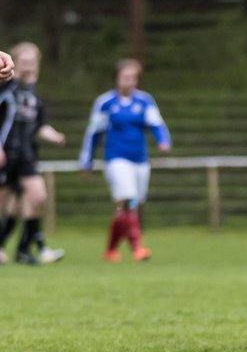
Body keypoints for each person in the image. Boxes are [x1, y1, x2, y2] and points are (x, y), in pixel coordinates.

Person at [78, 58, 171, 262]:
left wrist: (163, 141)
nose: (129, 82)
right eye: (125, 77)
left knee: (130, 206)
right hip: (116, 159)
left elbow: (157, 124)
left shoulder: (145, 100)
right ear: (117, 78)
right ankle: (137, 248)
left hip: (140, 159)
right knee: (128, 200)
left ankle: (110, 250)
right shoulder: (106, 103)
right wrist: (86, 161)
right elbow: (93, 133)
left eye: (133, 78)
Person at [0, 43, 67, 265]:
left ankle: (24, 248)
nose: (29, 66)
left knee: (38, 196)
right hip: (4, 154)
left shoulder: (34, 94)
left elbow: (41, 125)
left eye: (33, 62)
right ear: (14, 62)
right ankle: (24, 247)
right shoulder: (6, 88)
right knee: (9, 206)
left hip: (26, 154)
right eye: (25, 61)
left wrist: (55, 136)